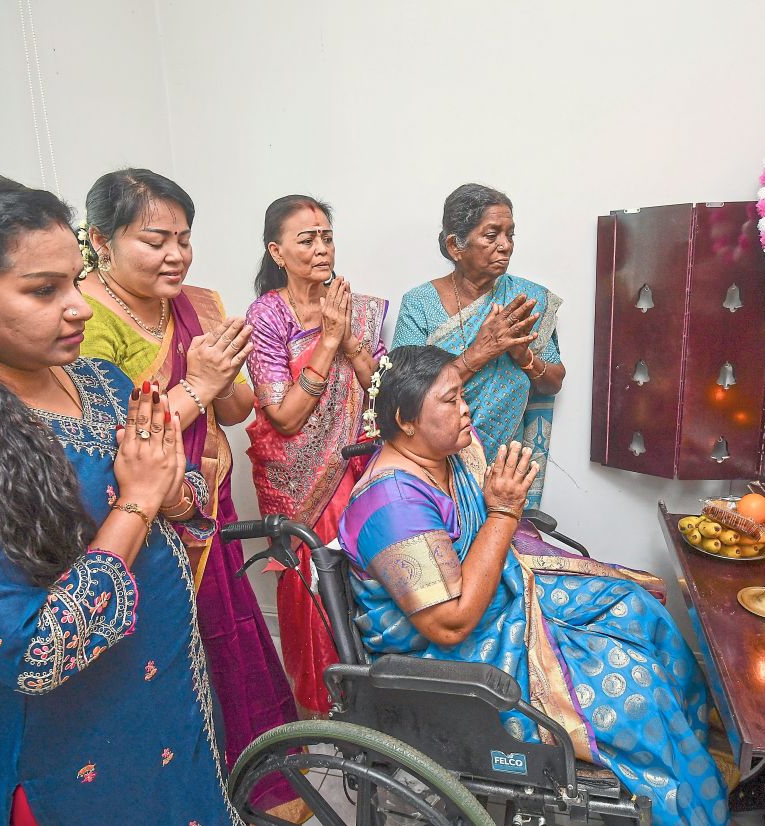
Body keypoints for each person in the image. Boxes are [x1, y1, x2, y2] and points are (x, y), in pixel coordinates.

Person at [0, 171, 250, 824]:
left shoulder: (100, 380)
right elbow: (34, 653)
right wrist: (134, 503)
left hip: (174, 690)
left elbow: (178, 503)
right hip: (73, 740)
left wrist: (170, 498)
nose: (77, 305)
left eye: (74, 280)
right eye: (44, 290)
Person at [337, 346, 728, 826]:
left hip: (502, 602)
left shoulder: (452, 453)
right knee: (634, 684)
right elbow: (451, 622)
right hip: (455, 655)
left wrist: (504, 509)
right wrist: (503, 510)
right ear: (406, 419)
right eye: (451, 399)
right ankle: (682, 791)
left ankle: (699, 752)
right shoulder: (391, 504)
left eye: (462, 395)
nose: (466, 409)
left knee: (638, 609)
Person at [78, 169, 297, 771]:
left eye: (184, 238)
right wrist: (196, 384)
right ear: (101, 241)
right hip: (142, 518)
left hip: (210, 500)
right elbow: (114, 441)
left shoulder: (198, 305)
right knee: (170, 654)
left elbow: (237, 408)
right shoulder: (84, 320)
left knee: (226, 638)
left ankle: (249, 774)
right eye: (154, 241)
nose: (175, 255)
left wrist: (218, 376)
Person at [244, 195, 387, 715]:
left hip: (356, 465)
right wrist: (327, 341)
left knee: (368, 577)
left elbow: (381, 391)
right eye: (307, 239)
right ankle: (323, 706)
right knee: (312, 584)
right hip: (297, 480)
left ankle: (377, 698)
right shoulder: (266, 314)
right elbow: (282, 415)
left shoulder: (358, 308)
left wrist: (348, 339)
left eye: (327, 235)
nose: (322, 247)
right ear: (277, 252)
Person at [393, 183, 564, 508]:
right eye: (491, 235)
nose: (505, 246)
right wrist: (480, 352)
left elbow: (553, 381)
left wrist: (523, 356)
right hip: (431, 468)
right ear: (455, 246)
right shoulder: (419, 303)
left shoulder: (526, 300)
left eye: (510, 235)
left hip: (500, 473)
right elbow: (404, 393)